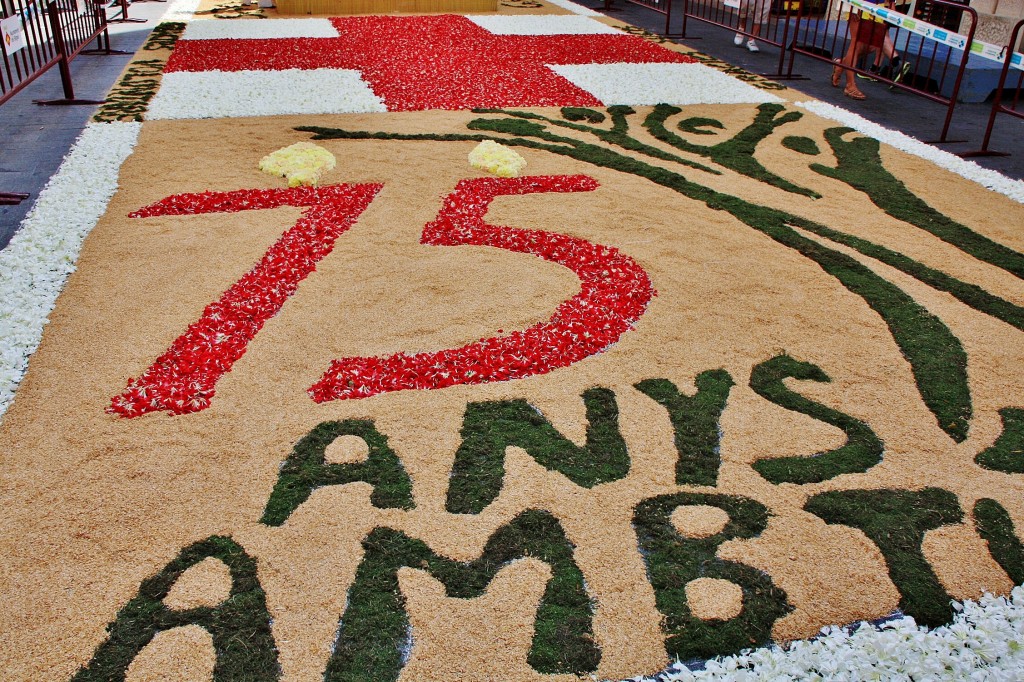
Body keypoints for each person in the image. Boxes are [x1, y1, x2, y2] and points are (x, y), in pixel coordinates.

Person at [831, 0, 894, 99]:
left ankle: (841, 64)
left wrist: (891, 3)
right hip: (859, 4)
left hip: (877, 5)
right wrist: (855, 6)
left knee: (872, 46)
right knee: (856, 43)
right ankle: (850, 85)